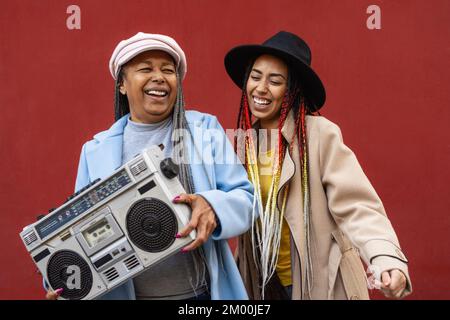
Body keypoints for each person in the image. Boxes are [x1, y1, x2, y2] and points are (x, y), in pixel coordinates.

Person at [46, 32, 254, 300]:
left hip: (200, 296)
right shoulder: (95, 151)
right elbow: (80, 232)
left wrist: (211, 204)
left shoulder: (205, 131)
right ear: (122, 84)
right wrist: (64, 282)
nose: (159, 77)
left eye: (168, 70)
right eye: (146, 69)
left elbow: (246, 200)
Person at [224, 31, 412, 300]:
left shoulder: (319, 135)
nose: (261, 88)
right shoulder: (245, 143)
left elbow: (357, 205)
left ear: (292, 91)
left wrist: (385, 256)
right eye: (255, 77)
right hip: (265, 285)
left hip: (319, 284)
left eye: (275, 81)